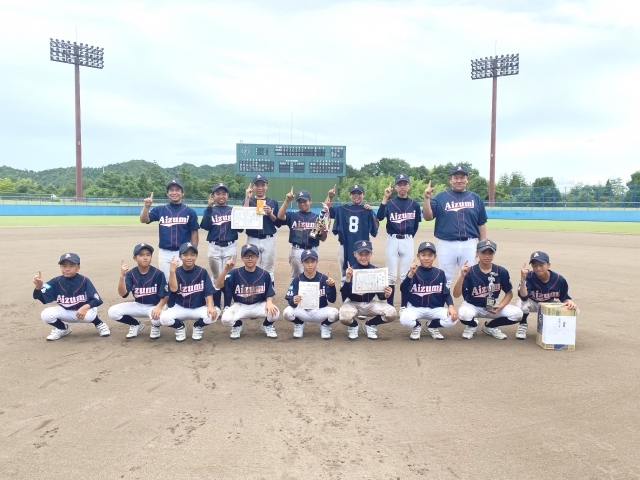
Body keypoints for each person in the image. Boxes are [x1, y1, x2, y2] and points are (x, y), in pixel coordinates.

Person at [422, 165, 488, 287]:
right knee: (444, 278)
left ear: (467, 179)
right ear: (450, 179)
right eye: (456, 177)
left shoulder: (475, 198)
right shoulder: (440, 197)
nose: (459, 180)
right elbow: (428, 217)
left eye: (462, 177)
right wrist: (426, 199)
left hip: (469, 244)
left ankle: (467, 300)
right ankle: (443, 300)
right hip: (446, 244)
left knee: (469, 278)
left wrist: (482, 247)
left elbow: (481, 223)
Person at [453, 239, 523, 340]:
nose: (487, 256)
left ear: (494, 254)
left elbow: (509, 293)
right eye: (483, 252)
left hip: (492, 306)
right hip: (473, 306)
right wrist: (462, 276)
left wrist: (500, 306)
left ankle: (490, 327)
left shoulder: (501, 271)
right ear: (477, 253)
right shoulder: (469, 271)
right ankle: (472, 326)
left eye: (490, 253)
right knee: (463, 314)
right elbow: (456, 294)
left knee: (518, 314)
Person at [33, 252, 109, 341]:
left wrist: (85, 307)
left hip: (85, 311)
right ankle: (63, 329)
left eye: (71, 266)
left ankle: (99, 323)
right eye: (64, 266)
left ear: (78, 268)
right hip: (66, 311)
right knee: (46, 314)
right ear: (60, 267)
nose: (67, 269)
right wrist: (38, 288)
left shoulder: (84, 280)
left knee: (89, 316)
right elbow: (38, 296)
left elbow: (97, 300)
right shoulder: (55, 281)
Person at [215, 243, 280, 339]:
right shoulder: (234, 273)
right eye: (247, 256)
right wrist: (225, 270)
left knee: (275, 312)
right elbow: (218, 285)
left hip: (259, 305)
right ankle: (237, 325)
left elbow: (269, 292)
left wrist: (269, 303)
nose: (250, 259)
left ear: (257, 257)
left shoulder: (264, 274)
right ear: (242, 258)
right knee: (226, 319)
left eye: (253, 256)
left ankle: (267, 325)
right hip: (240, 305)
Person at [376, 173, 422, 308]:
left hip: (407, 240)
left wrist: (409, 237)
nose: (402, 187)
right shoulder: (390, 203)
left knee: (405, 276)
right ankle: (390, 307)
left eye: (404, 184)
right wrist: (385, 197)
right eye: (399, 184)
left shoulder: (414, 204)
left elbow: (416, 225)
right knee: (391, 276)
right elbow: (379, 217)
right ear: (395, 187)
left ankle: (403, 307)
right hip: (392, 240)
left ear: (408, 186)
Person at [159, 242, 220, 342]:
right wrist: (172, 271)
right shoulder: (176, 272)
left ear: (196, 256)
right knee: (163, 319)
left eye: (192, 254)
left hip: (198, 308)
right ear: (180, 256)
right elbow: (173, 289)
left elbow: (208, 292)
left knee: (214, 315)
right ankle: (180, 327)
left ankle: (197, 326)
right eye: (185, 254)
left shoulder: (202, 272)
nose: (189, 257)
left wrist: (210, 306)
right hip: (180, 308)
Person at [140, 179, 200, 279]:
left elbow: (194, 233)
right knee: (167, 281)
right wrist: (146, 207)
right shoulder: (160, 210)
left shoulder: (190, 212)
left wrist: (193, 251)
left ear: (182, 193)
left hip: (183, 252)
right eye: (171, 190)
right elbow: (144, 220)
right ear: (167, 193)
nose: (174, 192)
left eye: (177, 190)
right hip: (165, 253)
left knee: (184, 280)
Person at [107, 243, 169, 339]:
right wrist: (122, 276)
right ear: (135, 258)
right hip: (138, 305)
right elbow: (123, 293)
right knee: (113, 312)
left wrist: (159, 307)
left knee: (158, 319)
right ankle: (135, 324)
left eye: (148, 255)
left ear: (151, 257)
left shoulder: (158, 274)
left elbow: (165, 295)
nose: (145, 257)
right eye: (141, 255)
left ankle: (156, 326)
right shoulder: (130, 274)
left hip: (154, 306)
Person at [399, 242, 458, 340]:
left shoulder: (440, 273)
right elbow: (403, 289)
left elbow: (446, 293)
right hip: (416, 308)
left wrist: (451, 306)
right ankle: (416, 326)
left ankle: (431, 326)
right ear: (418, 256)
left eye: (430, 255)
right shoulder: (413, 272)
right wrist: (410, 274)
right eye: (423, 255)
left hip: (435, 309)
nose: (426, 258)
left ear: (435, 257)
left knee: (453, 319)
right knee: (404, 319)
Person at [338, 241, 397, 340]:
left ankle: (370, 325)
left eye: (367, 254)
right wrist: (348, 278)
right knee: (344, 316)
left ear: (371, 254)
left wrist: (386, 295)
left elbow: (380, 296)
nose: (363, 257)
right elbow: (345, 294)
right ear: (355, 254)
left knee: (392, 313)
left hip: (370, 303)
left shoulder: (376, 271)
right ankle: (354, 325)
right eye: (360, 254)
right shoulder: (350, 271)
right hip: (353, 303)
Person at [515, 251, 578, 340]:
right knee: (521, 304)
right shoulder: (529, 276)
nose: (538, 268)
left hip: (548, 304)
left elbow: (564, 297)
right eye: (535, 265)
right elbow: (524, 297)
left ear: (548, 265)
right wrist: (522, 280)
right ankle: (522, 324)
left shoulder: (559, 279)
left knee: (573, 309)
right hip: (532, 303)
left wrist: (569, 302)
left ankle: (556, 329)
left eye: (541, 265)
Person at [283, 249, 339, 339]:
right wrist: (293, 301)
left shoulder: (324, 278)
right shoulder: (297, 279)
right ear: (301, 263)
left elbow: (332, 300)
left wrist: (332, 287)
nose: (310, 265)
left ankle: (324, 325)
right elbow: (290, 301)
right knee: (287, 312)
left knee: (335, 314)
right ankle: (299, 324)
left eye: (312, 262)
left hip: (320, 311)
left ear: (317, 262)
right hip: (303, 312)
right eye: (306, 262)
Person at [330, 184, 379, 280]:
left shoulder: (367, 210)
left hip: (362, 247)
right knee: (345, 274)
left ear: (363, 195)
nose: (356, 196)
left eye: (359, 193)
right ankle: (345, 289)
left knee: (362, 272)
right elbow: (326, 210)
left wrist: (371, 211)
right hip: (345, 245)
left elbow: (376, 227)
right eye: (354, 194)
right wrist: (330, 197)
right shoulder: (342, 209)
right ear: (350, 195)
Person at [277, 188, 328, 279]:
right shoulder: (293, 215)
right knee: (296, 277)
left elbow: (323, 239)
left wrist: (323, 231)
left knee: (312, 276)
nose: (302, 203)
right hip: (296, 250)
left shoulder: (317, 218)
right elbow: (280, 216)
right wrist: (287, 200)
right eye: (299, 202)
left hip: (312, 250)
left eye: (304, 201)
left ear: (310, 201)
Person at [200, 182, 240, 292]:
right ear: (213, 196)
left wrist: (238, 216)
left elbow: (240, 229)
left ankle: (227, 301)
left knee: (228, 276)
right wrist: (209, 207)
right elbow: (205, 226)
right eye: (218, 194)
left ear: (227, 195)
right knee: (216, 277)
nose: (221, 196)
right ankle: (216, 301)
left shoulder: (233, 210)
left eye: (224, 193)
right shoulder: (210, 210)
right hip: (214, 247)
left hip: (230, 247)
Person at [243, 175, 280, 282]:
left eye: (263, 185)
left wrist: (270, 213)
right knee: (252, 268)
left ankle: (269, 292)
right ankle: (255, 291)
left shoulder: (273, 202)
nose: (260, 188)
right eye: (257, 185)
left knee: (269, 270)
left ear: (267, 186)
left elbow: (278, 223)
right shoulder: (248, 201)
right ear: (253, 186)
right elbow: (244, 218)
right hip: (252, 238)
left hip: (269, 239)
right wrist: (247, 198)